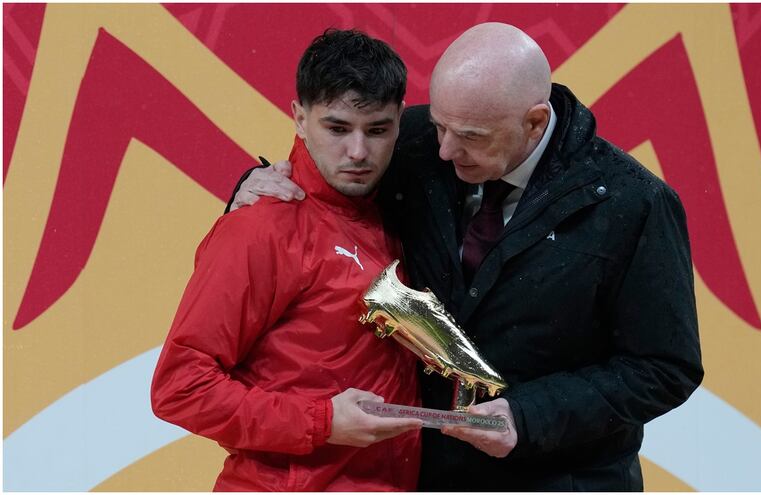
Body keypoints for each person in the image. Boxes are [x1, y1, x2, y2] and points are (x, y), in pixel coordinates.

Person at [230, 23, 703, 491]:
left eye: (472, 136)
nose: (445, 149)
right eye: (439, 125)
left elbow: (664, 368)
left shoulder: (634, 203)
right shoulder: (418, 142)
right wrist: (254, 186)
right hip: (427, 475)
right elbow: (328, 178)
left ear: (534, 122)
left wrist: (528, 416)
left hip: (561, 478)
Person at [150, 29, 425, 492]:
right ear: (299, 118)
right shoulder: (262, 227)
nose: (358, 152)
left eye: (377, 130)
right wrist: (320, 421)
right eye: (336, 128)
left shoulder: (402, 207)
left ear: (400, 120)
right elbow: (180, 388)